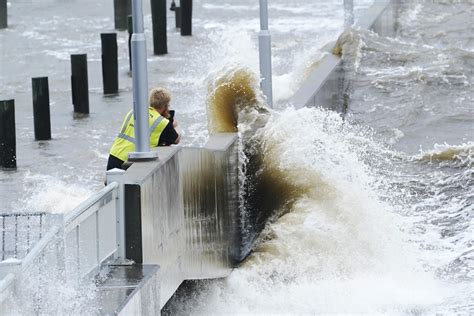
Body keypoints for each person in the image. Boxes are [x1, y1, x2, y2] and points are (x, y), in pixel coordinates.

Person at [106, 87, 181, 170]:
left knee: (112, 182)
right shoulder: (162, 122)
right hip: (131, 161)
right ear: (165, 105)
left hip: (115, 155)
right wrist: (176, 125)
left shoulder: (133, 111)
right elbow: (176, 139)